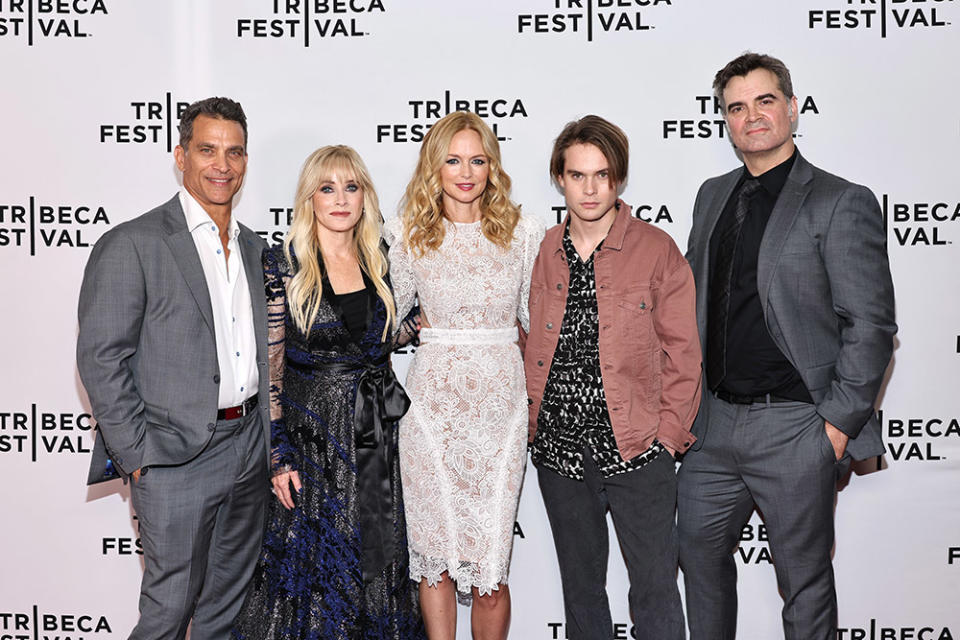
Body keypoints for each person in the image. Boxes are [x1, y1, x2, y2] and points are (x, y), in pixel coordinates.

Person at [678, 52, 897, 640]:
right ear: (725, 120)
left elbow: (871, 325)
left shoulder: (839, 200)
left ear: (794, 108)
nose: (752, 116)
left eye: (765, 100)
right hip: (712, 427)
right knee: (697, 562)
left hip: (797, 425)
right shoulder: (710, 195)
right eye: (736, 107)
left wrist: (836, 427)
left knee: (803, 583)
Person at [77, 97, 271, 640]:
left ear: (246, 162)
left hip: (248, 446)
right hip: (173, 458)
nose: (222, 165)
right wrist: (139, 458)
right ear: (180, 156)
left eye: (234, 153)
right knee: (167, 611)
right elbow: (100, 357)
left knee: (223, 612)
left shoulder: (256, 248)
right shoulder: (132, 244)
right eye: (207, 150)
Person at [231, 145, 426, 640]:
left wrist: (421, 327)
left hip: (377, 436)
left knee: (378, 558)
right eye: (327, 188)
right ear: (309, 199)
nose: (341, 199)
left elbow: (375, 342)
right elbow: (271, 368)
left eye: (352, 187)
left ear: (365, 196)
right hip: (314, 440)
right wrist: (279, 454)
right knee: (313, 568)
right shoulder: (284, 264)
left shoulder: (380, 259)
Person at [524, 115, 700, 640]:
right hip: (558, 451)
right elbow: (527, 338)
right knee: (581, 594)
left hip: (637, 448)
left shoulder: (655, 248)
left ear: (618, 178)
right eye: (578, 175)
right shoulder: (544, 249)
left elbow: (683, 353)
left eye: (601, 175)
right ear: (560, 178)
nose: (590, 188)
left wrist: (666, 441)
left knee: (655, 590)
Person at [385, 110, 544, 640]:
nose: (466, 172)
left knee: (491, 569)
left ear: (492, 166)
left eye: (477, 160)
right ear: (435, 167)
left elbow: (534, 323)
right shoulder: (409, 236)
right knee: (435, 557)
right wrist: (419, 329)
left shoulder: (523, 234)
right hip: (431, 413)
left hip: (500, 411)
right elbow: (390, 323)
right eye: (453, 160)